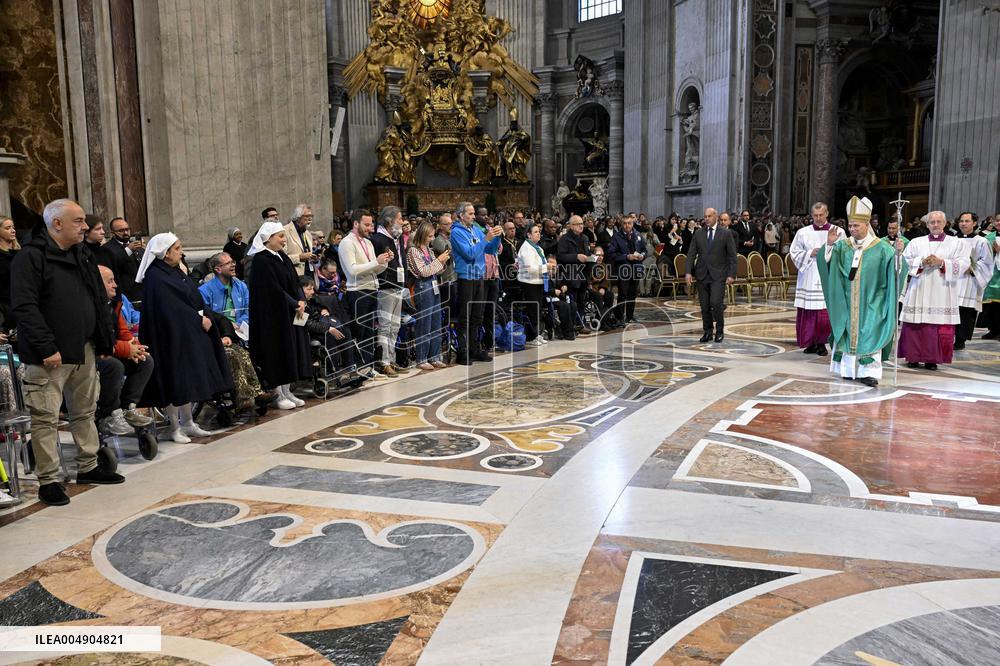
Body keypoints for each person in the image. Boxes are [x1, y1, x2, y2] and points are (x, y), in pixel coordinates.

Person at [12, 199, 122, 506]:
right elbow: (25, 306)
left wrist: (103, 340)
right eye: (78, 221)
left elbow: (98, 298)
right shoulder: (31, 257)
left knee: (84, 411)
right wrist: (47, 347)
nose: (85, 226)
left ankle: (88, 466)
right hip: (50, 355)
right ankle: (49, 479)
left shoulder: (81, 253)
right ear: (56, 224)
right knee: (46, 417)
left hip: (84, 348)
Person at [138, 233, 233, 442]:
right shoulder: (155, 276)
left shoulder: (174, 271)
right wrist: (196, 319)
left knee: (187, 380)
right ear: (165, 253)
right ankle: (174, 427)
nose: (182, 253)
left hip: (186, 334)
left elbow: (193, 297)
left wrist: (204, 315)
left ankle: (188, 422)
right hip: (168, 338)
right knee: (173, 381)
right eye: (178, 249)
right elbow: (169, 308)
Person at [817, 196, 905, 387]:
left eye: (856, 225)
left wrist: (899, 255)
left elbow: (895, 271)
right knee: (848, 333)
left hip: (873, 300)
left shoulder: (882, 248)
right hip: (847, 302)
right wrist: (830, 245)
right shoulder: (843, 246)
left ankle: (869, 373)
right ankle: (848, 370)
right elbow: (829, 266)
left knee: (869, 332)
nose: (852, 229)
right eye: (850, 225)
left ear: (867, 224)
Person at [247, 221, 313, 409]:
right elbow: (273, 290)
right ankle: (277, 394)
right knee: (276, 353)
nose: (284, 240)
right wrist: (294, 303)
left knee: (289, 352)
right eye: (281, 236)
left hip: (290, 312)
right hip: (273, 317)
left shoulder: (281, 256)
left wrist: (301, 301)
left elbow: (294, 282)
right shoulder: (261, 260)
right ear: (268, 239)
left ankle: (287, 390)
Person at [898, 211, 971, 370]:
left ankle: (932, 359)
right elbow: (905, 260)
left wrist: (942, 262)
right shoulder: (916, 242)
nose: (935, 225)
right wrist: (921, 262)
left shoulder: (956, 243)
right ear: (928, 224)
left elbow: (964, 263)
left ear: (945, 224)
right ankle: (913, 357)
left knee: (936, 325)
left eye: (939, 222)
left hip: (942, 289)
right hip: (919, 287)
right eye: (932, 222)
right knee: (915, 324)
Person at [95, 265, 154, 436]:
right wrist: (126, 349)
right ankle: (110, 414)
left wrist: (134, 345)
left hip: (112, 349)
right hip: (94, 355)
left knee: (145, 360)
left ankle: (128, 407)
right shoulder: (92, 306)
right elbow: (98, 340)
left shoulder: (113, 303)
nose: (115, 285)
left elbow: (122, 331)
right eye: (110, 281)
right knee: (114, 366)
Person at [339, 209, 391, 376]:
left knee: (369, 331)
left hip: (371, 289)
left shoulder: (368, 242)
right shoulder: (347, 242)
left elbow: (374, 269)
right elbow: (352, 270)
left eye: (371, 224)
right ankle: (359, 368)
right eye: (367, 224)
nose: (371, 228)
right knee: (359, 331)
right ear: (356, 224)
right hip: (357, 292)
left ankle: (369, 367)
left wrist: (384, 262)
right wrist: (376, 261)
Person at [790, 202, 846, 356]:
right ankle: (810, 343)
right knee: (809, 312)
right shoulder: (802, 232)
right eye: (815, 215)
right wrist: (809, 254)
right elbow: (794, 252)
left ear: (827, 213)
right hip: (809, 274)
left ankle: (822, 343)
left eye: (821, 215)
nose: (818, 218)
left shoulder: (839, 231)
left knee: (823, 313)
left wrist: (827, 249)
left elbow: (844, 253)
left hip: (828, 275)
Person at [451, 202, 501, 365]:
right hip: (466, 277)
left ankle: (474, 348)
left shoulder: (475, 230)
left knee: (477, 316)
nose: (474, 217)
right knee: (465, 316)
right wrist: (486, 239)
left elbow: (489, 250)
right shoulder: (456, 233)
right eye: (471, 214)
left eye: (473, 214)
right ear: (461, 215)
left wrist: (496, 237)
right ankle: (462, 351)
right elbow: (470, 254)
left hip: (479, 276)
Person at [686, 208, 737, 342]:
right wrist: (688, 272)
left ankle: (719, 331)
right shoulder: (698, 233)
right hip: (702, 274)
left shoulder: (725, 233)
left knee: (716, 303)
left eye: (709, 216)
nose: (706, 219)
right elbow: (691, 254)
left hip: (719, 275)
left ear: (715, 217)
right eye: (705, 216)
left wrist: (732, 274)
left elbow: (732, 256)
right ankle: (707, 331)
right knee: (704, 306)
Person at [406, 221, 450, 370]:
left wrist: (443, 263)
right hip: (423, 288)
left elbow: (436, 271)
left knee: (436, 323)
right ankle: (422, 358)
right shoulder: (413, 251)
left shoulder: (429, 251)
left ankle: (435, 356)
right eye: (429, 236)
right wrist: (439, 261)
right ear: (423, 235)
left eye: (433, 236)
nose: (432, 239)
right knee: (424, 325)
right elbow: (423, 272)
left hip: (434, 286)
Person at [371, 206, 406, 376]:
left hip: (398, 285)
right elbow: (376, 264)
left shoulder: (396, 238)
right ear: (390, 221)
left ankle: (391, 359)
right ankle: (383, 362)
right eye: (400, 218)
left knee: (395, 326)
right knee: (385, 326)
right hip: (384, 287)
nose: (403, 221)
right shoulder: (378, 239)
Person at [953, 212, 994, 350]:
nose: (963, 223)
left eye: (967, 221)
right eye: (961, 221)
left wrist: (973, 268)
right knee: (952, 309)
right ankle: (948, 337)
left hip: (969, 281)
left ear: (974, 223)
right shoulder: (952, 239)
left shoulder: (981, 241)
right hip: (953, 280)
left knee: (965, 311)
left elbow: (987, 262)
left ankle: (961, 340)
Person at [199, 252, 250, 338]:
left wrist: (238, 324)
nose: (233, 265)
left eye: (232, 261)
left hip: (242, 331)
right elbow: (205, 317)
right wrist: (228, 326)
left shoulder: (241, 286)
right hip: (220, 334)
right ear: (218, 269)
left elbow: (248, 310)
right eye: (228, 263)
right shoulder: (204, 291)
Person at [557, 215, 594, 331]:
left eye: (582, 223)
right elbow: (561, 256)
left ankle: (581, 323)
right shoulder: (564, 239)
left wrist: (592, 258)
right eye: (578, 224)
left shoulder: (585, 238)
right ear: (571, 226)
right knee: (573, 301)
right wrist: (576, 257)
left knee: (581, 301)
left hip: (583, 274)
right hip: (571, 275)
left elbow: (587, 254)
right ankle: (572, 324)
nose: (581, 226)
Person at [608, 213, 647, 323]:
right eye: (624, 223)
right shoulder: (616, 237)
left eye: (629, 223)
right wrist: (626, 256)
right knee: (623, 294)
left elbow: (645, 250)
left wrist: (642, 255)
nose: (627, 225)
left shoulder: (638, 235)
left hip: (636, 268)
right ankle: (620, 317)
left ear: (633, 223)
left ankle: (630, 316)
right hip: (623, 269)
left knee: (633, 294)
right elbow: (611, 254)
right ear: (621, 224)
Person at [517, 223, 549, 345]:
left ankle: (538, 333)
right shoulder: (526, 248)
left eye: (539, 231)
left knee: (538, 309)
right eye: (535, 232)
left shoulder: (538, 248)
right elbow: (531, 269)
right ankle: (531, 336)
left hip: (539, 282)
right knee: (532, 310)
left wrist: (549, 269)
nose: (538, 234)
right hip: (529, 283)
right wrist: (547, 267)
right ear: (528, 234)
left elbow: (542, 265)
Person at [103, 217, 144, 303]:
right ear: (113, 233)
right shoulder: (107, 248)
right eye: (121, 231)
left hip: (142, 293)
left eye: (127, 229)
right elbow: (114, 264)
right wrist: (128, 250)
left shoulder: (137, 245)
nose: (125, 233)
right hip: (125, 296)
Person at [283, 204, 317, 277]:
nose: (310, 219)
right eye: (307, 216)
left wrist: (313, 258)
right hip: (294, 275)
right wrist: (299, 257)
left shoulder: (307, 233)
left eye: (311, 216)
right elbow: (281, 258)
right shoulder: (285, 231)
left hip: (309, 274)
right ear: (298, 217)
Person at [0, 216, 20, 330]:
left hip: (21, 303)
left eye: (13, 227)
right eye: (8, 228)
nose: (13, 230)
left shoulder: (20, 252)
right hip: (5, 307)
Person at [981, 226, 1000, 339]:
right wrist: (991, 251)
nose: (999, 222)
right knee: (991, 306)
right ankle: (993, 330)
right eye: (997, 220)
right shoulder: (989, 237)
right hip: (991, 275)